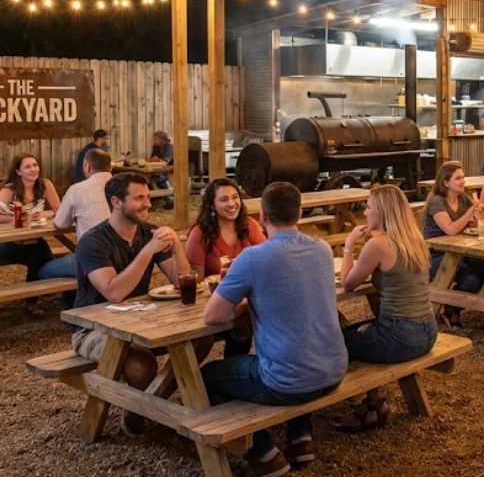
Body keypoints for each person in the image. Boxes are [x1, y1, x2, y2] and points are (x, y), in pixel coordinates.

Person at [202, 181, 346, 473]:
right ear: (300, 213)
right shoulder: (322, 249)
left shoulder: (253, 258)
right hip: (334, 370)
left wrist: (246, 303)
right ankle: (300, 436)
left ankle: (264, 452)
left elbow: (212, 317)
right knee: (296, 354)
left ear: (263, 216)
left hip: (286, 382)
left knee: (205, 378)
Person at [72, 172, 195, 438]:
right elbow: (113, 293)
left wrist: (176, 248)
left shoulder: (148, 233)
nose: (147, 204)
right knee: (142, 365)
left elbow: (181, 280)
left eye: (148, 197)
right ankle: (143, 410)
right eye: (139, 198)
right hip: (93, 329)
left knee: (200, 340)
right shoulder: (92, 242)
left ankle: (147, 404)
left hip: (140, 321)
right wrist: (149, 250)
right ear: (116, 202)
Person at [337, 185, 437, 431]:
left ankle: (363, 405)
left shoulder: (378, 245)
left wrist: (349, 245)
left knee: (335, 342)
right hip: (427, 331)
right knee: (354, 332)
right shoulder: (414, 238)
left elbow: (348, 283)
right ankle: (373, 403)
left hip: (400, 336)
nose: (365, 211)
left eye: (369, 206)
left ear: (381, 212)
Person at [422, 161, 484, 328]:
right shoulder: (436, 202)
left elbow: (475, 224)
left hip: (460, 251)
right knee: (471, 279)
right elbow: (451, 230)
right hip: (435, 254)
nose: (463, 181)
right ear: (446, 182)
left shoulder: (463, 198)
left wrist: (477, 216)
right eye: (458, 178)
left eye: (463, 177)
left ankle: (454, 306)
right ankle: (451, 308)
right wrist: (470, 213)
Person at [39, 149, 112, 306]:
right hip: (126, 256)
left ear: (87, 166)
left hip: (91, 258)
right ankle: (70, 299)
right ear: (110, 167)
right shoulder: (123, 185)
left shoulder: (77, 189)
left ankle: (70, 304)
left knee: (44, 270)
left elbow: (60, 224)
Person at [0, 154, 60, 289]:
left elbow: (60, 211)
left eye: (35, 165)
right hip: (6, 244)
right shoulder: (10, 189)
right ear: (18, 171)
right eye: (27, 167)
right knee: (41, 251)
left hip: (33, 240)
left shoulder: (45, 184)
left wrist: (46, 213)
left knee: (36, 257)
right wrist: (18, 218)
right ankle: (44, 293)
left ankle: (32, 300)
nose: (33, 169)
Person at [186, 177, 267, 277]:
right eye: (224, 200)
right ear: (212, 205)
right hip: (215, 291)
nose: (231, 204)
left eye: (235, 197)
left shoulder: (250, 224)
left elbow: (267, 260)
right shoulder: (199, 233)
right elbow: (196, 282)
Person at [149, 130, 174, 207]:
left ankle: (168, 197)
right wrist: (154, 159)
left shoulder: (169, 147)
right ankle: (161, 197)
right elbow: (151, 159)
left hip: (170, 171)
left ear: (161, 140)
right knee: (151, 176)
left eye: (155, 139)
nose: (153, 141)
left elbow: (165, 161)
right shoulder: (156, 147)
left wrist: (156, 160)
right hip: (159, 170)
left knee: (155, 176)